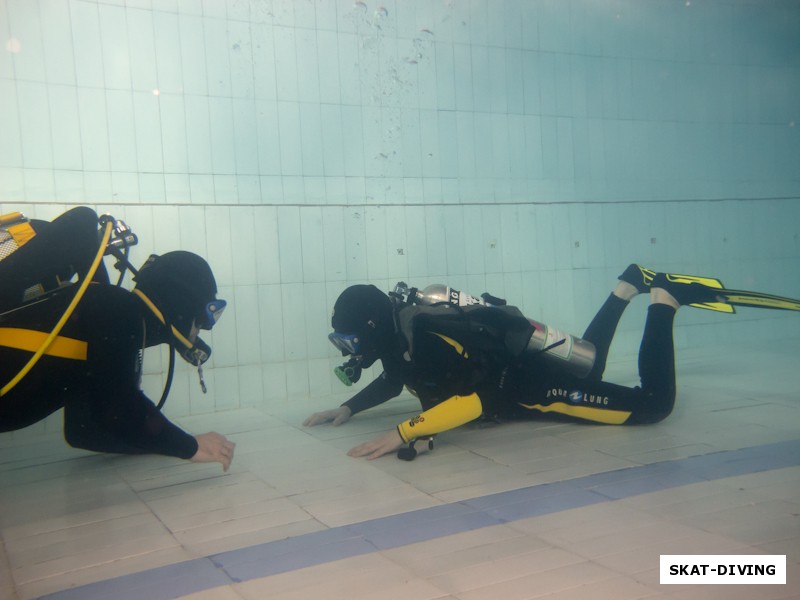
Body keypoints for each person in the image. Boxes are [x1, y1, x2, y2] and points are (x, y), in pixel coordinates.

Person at [304, 265, 790, 460]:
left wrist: (404, 432)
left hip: (535, 390)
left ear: (371, 326)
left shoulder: (422, 337)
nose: (349, 350)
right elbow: (395, 379)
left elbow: (478, 399)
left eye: (349, 340)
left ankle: (665, 301)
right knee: (590, 363)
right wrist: (348, 408)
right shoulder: (400, 336)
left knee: (654, 404)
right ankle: (627, 285)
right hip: (528, 369)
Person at [0, 207, 235, 470]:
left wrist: (158, 443)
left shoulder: (108, 326)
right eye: (207, 315)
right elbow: (119, 409)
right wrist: (191, 446)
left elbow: (87, 430)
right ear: (184, 305)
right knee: (85, 218)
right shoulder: (117, 310)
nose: (204, 329)